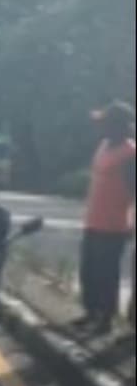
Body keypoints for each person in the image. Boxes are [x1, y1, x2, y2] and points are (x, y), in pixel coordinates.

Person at [76, 101, 136, 334]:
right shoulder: (104, 146)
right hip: (93, 220)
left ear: (118, 127)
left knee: (106, 275)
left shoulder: (130, 155)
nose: (100, 127)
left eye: (105, 123)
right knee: (88, 271)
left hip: (113, 226)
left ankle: (104, 320)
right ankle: (90, 312)